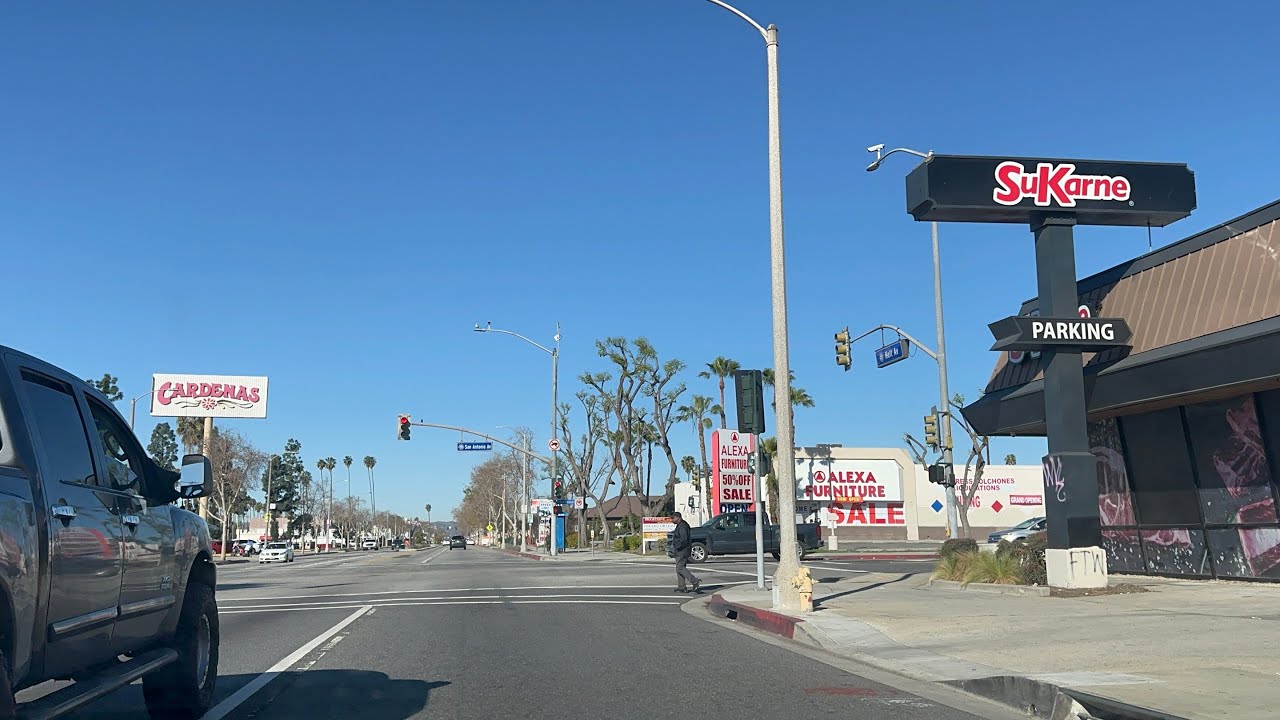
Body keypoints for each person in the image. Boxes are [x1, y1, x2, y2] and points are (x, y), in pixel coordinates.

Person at [671, 512, 701, 594]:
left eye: (673, 518)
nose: (672, 520)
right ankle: (682, 587)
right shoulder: (680, 525)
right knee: (678, 569)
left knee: (680, 568)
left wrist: (678, 547)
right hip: (680, 550)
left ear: (678, 517)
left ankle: (694, 581)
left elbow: (684, 540)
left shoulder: (682, 526)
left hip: (683, 550)